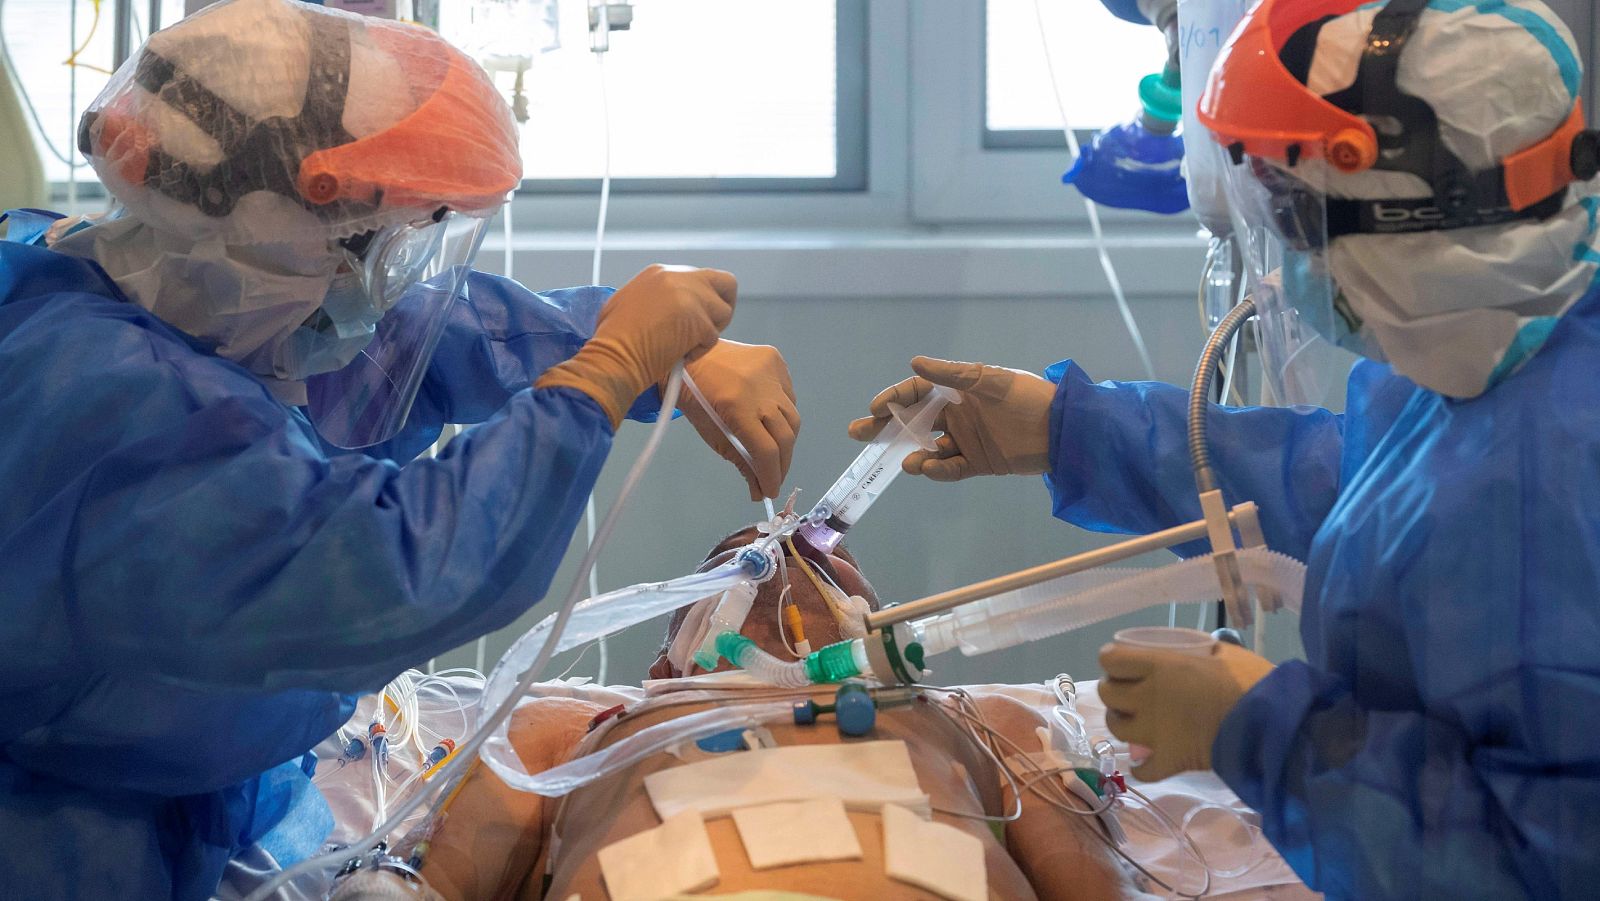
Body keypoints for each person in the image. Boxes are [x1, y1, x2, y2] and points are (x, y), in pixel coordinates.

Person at [0, 1, 799, 898]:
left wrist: (632, 344)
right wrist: (605, 378)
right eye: (373, 244)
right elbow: (391, 567)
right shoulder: (109, 402)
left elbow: (415, 336)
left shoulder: (179, 288)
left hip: (185, 795)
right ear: (279, 224)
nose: (378, 281)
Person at [849, 0, 1600, 897]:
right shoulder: (1482, 360)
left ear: (1418, 218)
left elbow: (1543, 859)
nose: (1290, 263)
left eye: (1300, 218)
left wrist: (1260, 726)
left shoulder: (1562, 462)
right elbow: (1340, 489)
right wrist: (1067, 427)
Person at [353, 527, 1156, 901]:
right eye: (732, 561)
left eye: (831, 559)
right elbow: (426, 882)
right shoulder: (585, 732)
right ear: (664, 669)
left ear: (889, 644)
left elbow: (1100, 888)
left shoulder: (972, 716)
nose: (782, 551)